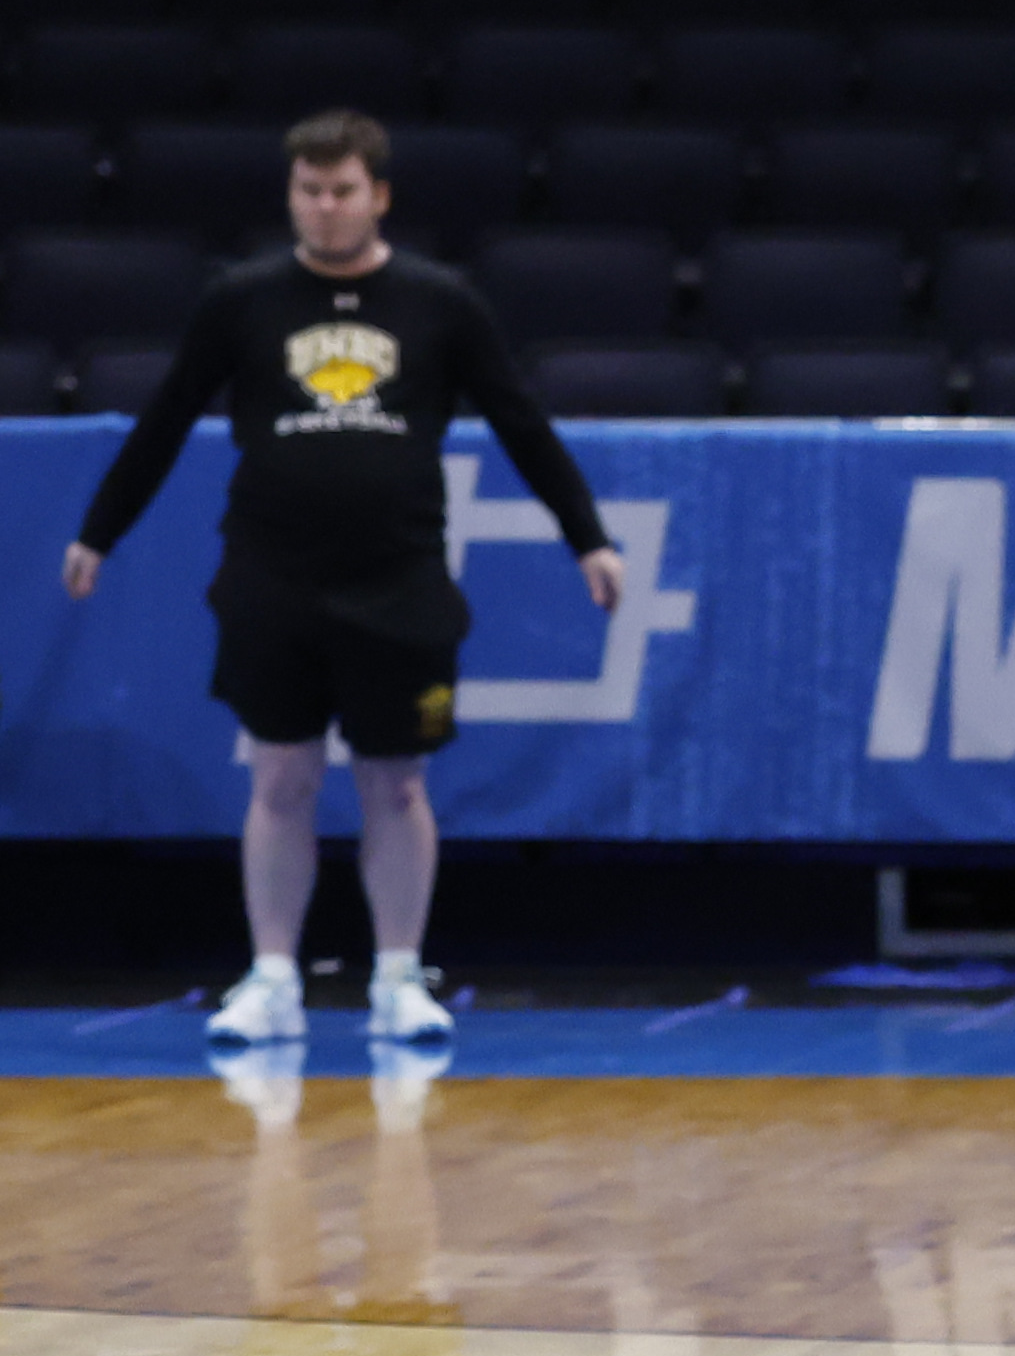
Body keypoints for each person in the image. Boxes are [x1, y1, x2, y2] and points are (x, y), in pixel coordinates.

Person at [60, 112, 622, 1048]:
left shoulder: (442, 303)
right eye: (309, 192)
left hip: (399, 580)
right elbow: (164, 419)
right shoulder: (240, 301)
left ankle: (398, 976)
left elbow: (524, 423)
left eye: (343, 191)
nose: (325, 209)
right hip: (272, 577)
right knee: (279, 776)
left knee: (395, 783)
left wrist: (588, 539)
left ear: (379, 196)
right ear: (291, 197)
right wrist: (99, 532)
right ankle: (273, 975)